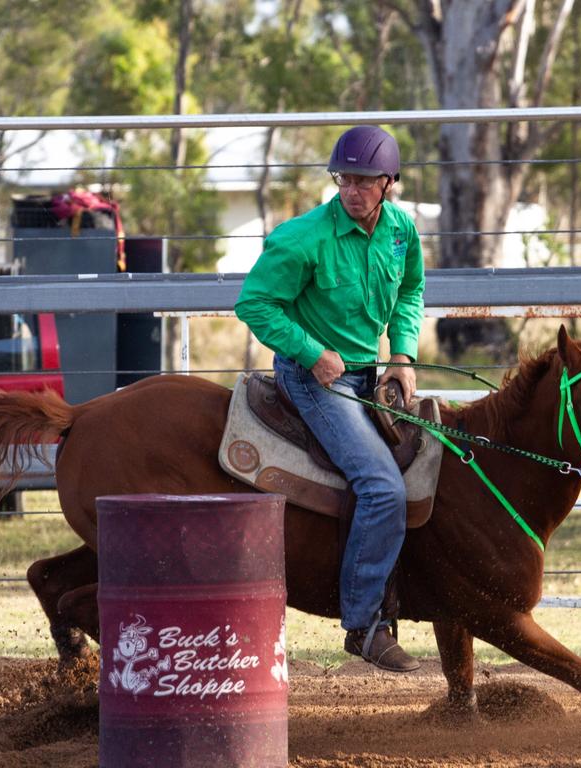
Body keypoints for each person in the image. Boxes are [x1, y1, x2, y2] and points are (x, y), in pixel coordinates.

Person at [235, 125, 425, 672]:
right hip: (315, 378)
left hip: (373, 373)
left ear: (388, 182)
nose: (353, 190)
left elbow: (411, 289)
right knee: (383, 487)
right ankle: (365, 625)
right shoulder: (303, 238)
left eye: (365, 180)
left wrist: (403, 354)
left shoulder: (400, 231)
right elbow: (256, 304)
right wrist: (312, 351)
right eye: (345, 178)